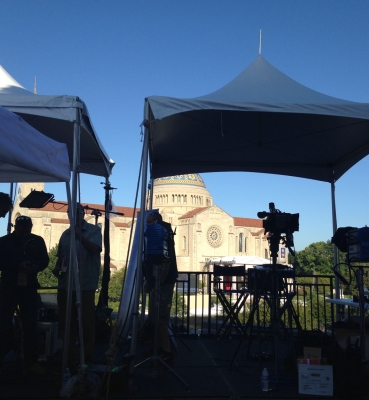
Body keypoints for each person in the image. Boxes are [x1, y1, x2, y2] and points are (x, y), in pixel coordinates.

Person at [53, 203, 102, 371]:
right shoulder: (65, 235)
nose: (73, 215)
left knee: (86, 322)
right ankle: (69, 358)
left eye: (77, 213)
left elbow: (95, 249)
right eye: (70, 213)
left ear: (83, 214)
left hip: (85, 284)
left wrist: (79, 235)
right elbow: (61, 256)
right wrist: (58, 267)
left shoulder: (94, 230)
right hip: (66, 284)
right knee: (66, 322)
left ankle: (86, 358)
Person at [0, 215, 49, 374]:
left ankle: (31, 362)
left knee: (31, 325)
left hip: (28, 287)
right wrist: (17, 266)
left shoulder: (38, 241)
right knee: (3, 324)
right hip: (8, 287)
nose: (25, 234)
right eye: (22, 231)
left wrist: (35, 267)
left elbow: (45, 260)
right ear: (15, 227)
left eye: (27, 230)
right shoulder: (4, 241)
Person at [144, 211, 178, 362]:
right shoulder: (156, 236)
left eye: (150, 222)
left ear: (157, 223)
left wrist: (160, 282)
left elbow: (166, 261)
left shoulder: (164, 235)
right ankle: (157, 347)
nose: (147, 225)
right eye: (147, 223)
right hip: (155, 281)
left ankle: (166, 350)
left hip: (163, 282)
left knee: (161, 316)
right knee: (154, 316)